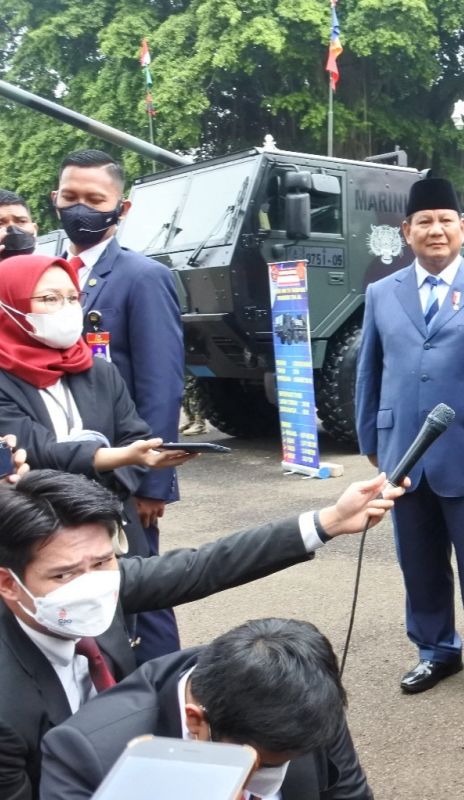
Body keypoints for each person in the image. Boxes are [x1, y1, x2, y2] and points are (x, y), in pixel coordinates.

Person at [0, 468, 401, 799]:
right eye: (64, 574)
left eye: (103, 561)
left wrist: (328, 521)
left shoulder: (98, 587)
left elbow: (204, 566)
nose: (89, 585)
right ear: (8, 583)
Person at [355, 176, 464, 699]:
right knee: (418, 559)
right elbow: (370, 370)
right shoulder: (380, 294)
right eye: (424, 222)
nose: (436, 231)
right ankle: (435, 650)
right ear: (407, 232)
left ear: (462, 228)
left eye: (445, 221)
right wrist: (373, 438)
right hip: (403, 451)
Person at [53, 149, 185, 662]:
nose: (81, 208)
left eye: (94, 200)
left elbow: (160, 382)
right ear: (55, 200)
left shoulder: (142, 276)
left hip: (125, 474)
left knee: (143, 592)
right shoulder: (51, 275)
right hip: (64, 466)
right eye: (71, 198)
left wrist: (153, 482)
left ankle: (164, 695)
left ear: (121, 208)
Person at [39, 618, 372, 800]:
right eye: (264, 765)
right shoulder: (87, 756)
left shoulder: (306, 694)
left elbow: (348, 792)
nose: (272, 776)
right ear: (195, 720)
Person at [0, 254, 190, 564]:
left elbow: (134, 434)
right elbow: (39, 451)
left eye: (73, 297)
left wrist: (117, 484)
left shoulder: (97, 370)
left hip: (111, 528)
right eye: (50, 298)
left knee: (136, 605)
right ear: (10, 305)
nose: (67, 308)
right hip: (35, 537)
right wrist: (119, 457)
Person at [0, 190, 37, 260]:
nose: (14, 229)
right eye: (0, 224)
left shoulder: (55, 268)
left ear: (35, 229)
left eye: (22, 221)